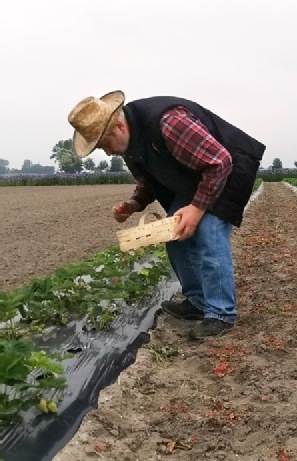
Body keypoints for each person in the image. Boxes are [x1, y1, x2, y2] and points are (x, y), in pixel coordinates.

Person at [67, 91, 266, 339]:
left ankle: (221, 313)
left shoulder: (169, 121)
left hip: (225, 173)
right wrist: (134, 203)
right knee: (174, 235)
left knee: (208, 234)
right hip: (192, 180)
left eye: (105, 144)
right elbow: (149, 178)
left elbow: (219, 162)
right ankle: (197, 302)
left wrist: (197, 209)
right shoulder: (130, 142)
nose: (107, 153)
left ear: (119, 126)